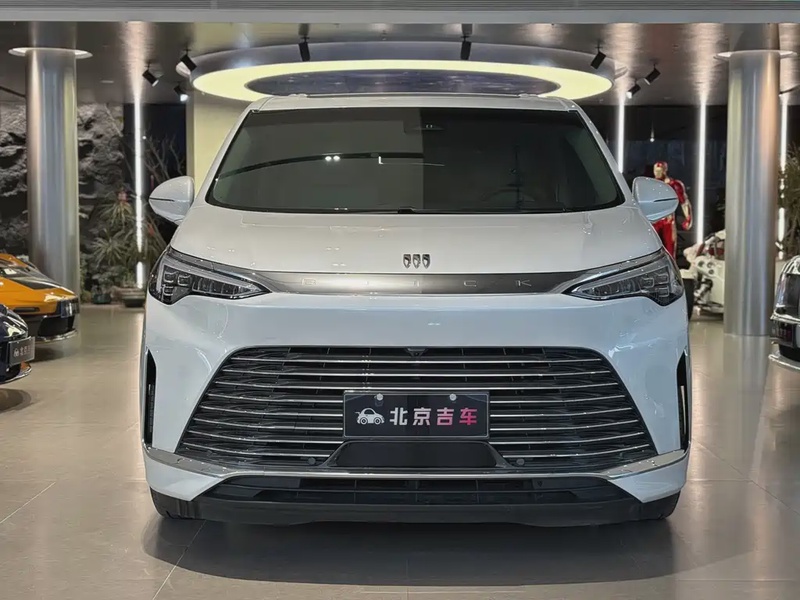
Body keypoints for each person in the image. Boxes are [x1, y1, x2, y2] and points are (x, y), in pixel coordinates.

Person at [652, 161, 693, 257]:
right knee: (654, 251)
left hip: (668, 221)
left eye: (659, 171)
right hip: (654, 221)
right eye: (656, 171)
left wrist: (688, 218)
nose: (657, 173)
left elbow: (684, 203)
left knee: (670, 252)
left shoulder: (674, 185)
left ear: (665, 171)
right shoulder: (650, 185)